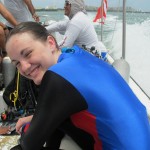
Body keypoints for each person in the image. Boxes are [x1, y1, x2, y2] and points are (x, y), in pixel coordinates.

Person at [6, 22, 150, 150]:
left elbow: (30, 143)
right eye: (16, 63)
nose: (24, 67)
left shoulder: (57, 76)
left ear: (50, 42)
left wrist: (26, 129)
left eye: (28, 53)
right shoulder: (76, 55)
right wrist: (35, 118)